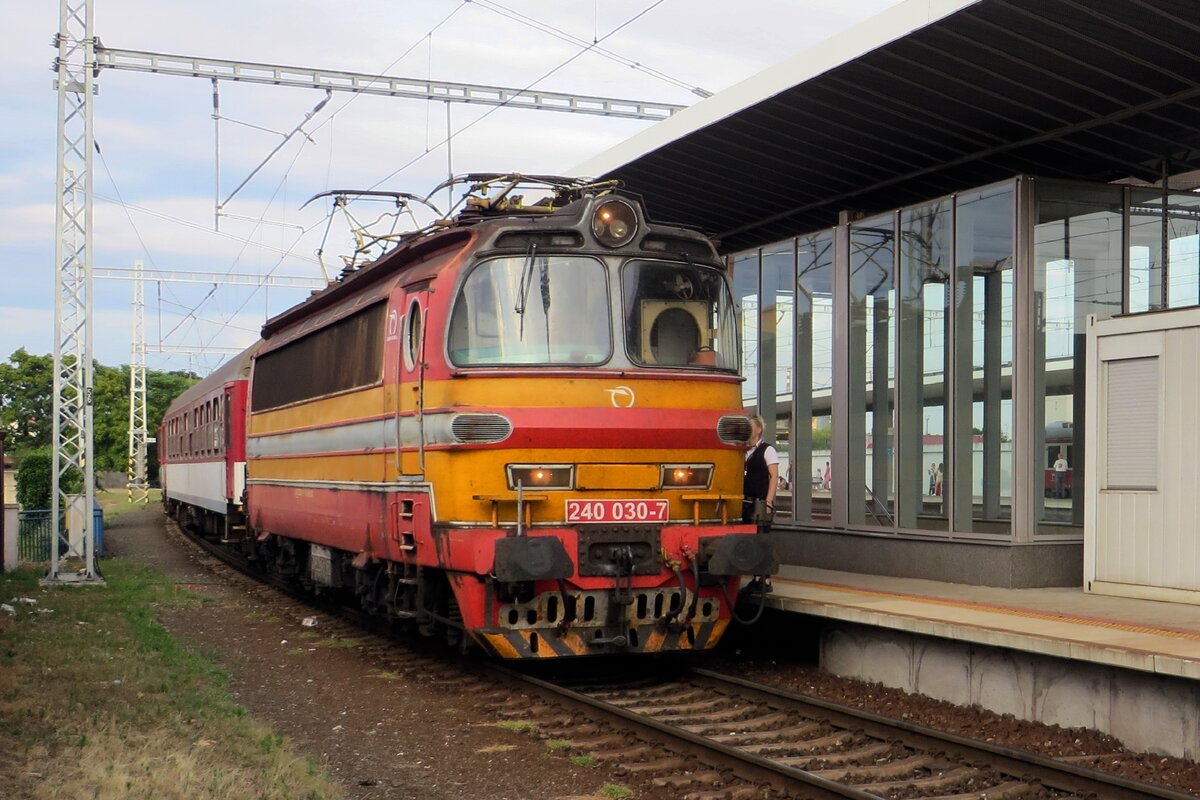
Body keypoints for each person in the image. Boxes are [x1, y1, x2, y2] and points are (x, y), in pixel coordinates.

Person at [742, 415, 779, 527]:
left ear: (759, 430)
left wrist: (768, 502)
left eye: (750, 427)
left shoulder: (768, 450)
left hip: (759, 502)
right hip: (743, 501)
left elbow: (774, 476)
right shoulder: (741, 451)